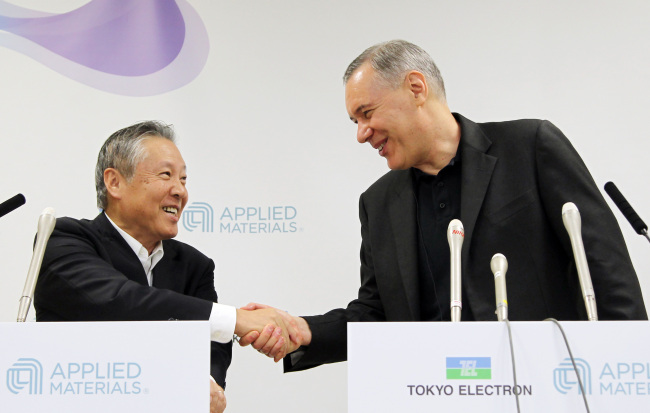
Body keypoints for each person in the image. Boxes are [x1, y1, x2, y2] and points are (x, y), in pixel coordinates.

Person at [241, 39, 648, 371]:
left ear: (416, 88)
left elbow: (605, 271)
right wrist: (303, 329)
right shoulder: (378, 204)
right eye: (355, 122)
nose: (362, 135)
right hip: (440, 393)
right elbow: (376, 314)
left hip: (552, 386)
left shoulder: (530, 147)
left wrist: (627, 373)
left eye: (367, 113)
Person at [34, 121, 298, 412]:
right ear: (115, 182)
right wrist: (238, 320)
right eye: (166, 175)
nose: (180, 191)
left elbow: (213, 341)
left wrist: (208, 382)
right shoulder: (64, 239)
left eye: (183, 180)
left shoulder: (194, 265)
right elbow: (121, 301)